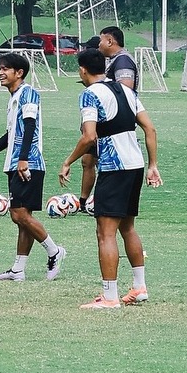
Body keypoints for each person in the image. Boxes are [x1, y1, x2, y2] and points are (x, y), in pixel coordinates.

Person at [59, 48, 162, 309]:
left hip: (114, 167)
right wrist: (153, 165)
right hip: (135, 165)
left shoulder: (90, 94)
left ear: (82, 70)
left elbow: (89, 136)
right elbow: (150, 129)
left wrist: (68, 161)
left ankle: (109, 297)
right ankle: (139, 287)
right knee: (127, 228)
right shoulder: (127, 91)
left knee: (105, 232)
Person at [0, 53, 65, 282]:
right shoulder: (14, 97)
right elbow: (10, 135)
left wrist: (23, 159)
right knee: (22, 218)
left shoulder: (28, 93)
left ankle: (54, 251)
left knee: (18, 214)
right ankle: (18, 269)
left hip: (28, 164)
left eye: (5, 68)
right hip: (16, 163)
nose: (0, 73)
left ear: (19, 73)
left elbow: (30, 126)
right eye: (0, 68)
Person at [79, 26, 139, 206]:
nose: (98, 45)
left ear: (110, 41)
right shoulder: (114, 60)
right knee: (89, 160)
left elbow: (124, 92)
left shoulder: (123, 61)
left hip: (113, 124)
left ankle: (101, 200)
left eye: (101, 41)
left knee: (104, 162)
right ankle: (86, 201)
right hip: (104, 122)